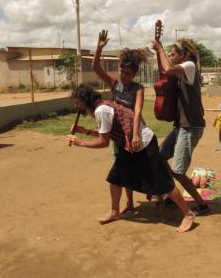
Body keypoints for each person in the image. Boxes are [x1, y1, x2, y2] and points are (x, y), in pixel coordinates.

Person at [67, 84, 196, 233]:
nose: (75, 105)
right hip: (129, 146)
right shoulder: (102, 106)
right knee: (115, 177)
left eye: (77, 102)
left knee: (162, 181)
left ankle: (188, 214)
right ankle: (115, 211)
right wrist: (86, 131)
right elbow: (109, 133)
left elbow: (104, 142)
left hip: (145, 144)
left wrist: (79, 142)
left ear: (85, 100)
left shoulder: (101, 110)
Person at [152, 38, 209, 214]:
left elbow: (167, 68)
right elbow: (165, 70)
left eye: (173, 53)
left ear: (183, 56)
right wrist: (158, 52)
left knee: (177, 171)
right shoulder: (181, 71)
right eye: (169, 53)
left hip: (191, 127)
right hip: (181, 126)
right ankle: (171, 194)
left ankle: (201, 204)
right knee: (160, 158)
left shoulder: (190, 66)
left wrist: (160, 48)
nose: (170, 56)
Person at [92, 29, 146, 214]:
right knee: (123, 169)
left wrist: (136, 134)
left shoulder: (138, 88)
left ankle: (160, 195)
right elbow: (96, 68)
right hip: (119, 136)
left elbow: (138, 111)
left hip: (135, 133)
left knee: (146, 165)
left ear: (134, 74)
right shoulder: (115, 84)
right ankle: (129, 203)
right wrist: (99, 48)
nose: (123, 75)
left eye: (128, 73)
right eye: (122, 71)